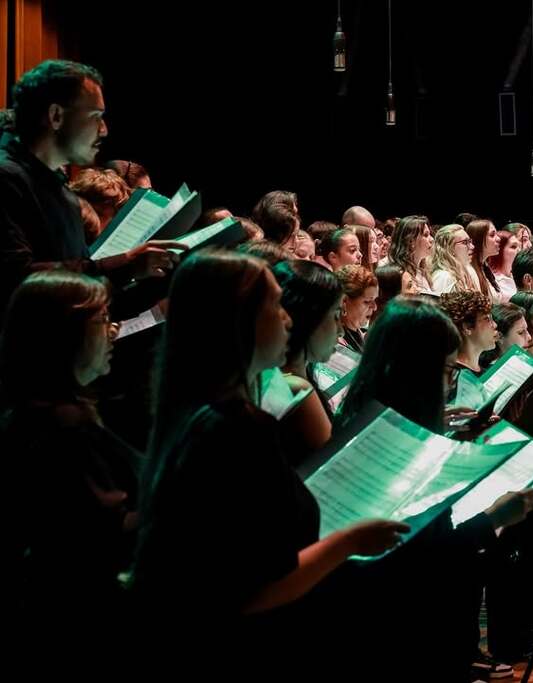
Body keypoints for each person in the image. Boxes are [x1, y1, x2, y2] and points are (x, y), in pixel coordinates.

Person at [130, 250, 406, 632]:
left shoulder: (198, 410)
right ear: (236, 320)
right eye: (275, 305)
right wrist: (350, 542)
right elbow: (248, 591)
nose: (288, 318)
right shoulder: (232, 429)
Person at [336, 296, 533, 679]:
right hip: (414, 632)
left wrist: (444, 428)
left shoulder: (370, 413)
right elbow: (418, 547)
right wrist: (494, 517)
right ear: (414, 371)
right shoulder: (390, 440)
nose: (448, 383)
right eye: (445, 370)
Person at [0, 271, 138, 639]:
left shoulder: (34, 410)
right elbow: (107, 532)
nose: (114, 330)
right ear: (63, 335)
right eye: (102, 320)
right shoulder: (63, 426)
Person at [0, 60, 179, 325]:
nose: (104, 129)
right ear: (56, 116)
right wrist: (125, 264)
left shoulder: (61, 191)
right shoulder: (6, 179)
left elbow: (80, 298)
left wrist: (163, 275)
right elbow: (18, 281)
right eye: (95, 116)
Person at [271, 259, 346, 460]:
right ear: (308, 317)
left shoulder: (287, 377)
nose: (340, 329)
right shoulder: (295, 387)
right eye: (335, 315)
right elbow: (335, 464)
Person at [337, 265, 378, 352]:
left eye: (375, 300)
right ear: (344, 301)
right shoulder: (335, 344)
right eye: (367, 301)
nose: (374, 307)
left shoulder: (364, 335)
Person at [388, 215, 434, 294]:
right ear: (410, 241)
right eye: (426, 235)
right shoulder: (400, 275)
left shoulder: (422, 272)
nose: (432, 239)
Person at [479, 302, 530, 369]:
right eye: (521, 332)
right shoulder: (492, 372)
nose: (529, 337)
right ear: (499, 337)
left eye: (527, 329)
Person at [430, 224, 474, 294]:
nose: (472, 247)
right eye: (465, 242)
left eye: (470, 241)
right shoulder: (443, 277)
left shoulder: (464, 273)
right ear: (449, 248)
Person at [488, 229, 520, 301]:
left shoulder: (517, 277)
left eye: (519, 247)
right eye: (513, 247)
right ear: (499, 250)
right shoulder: (492, 280)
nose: (519, 250)